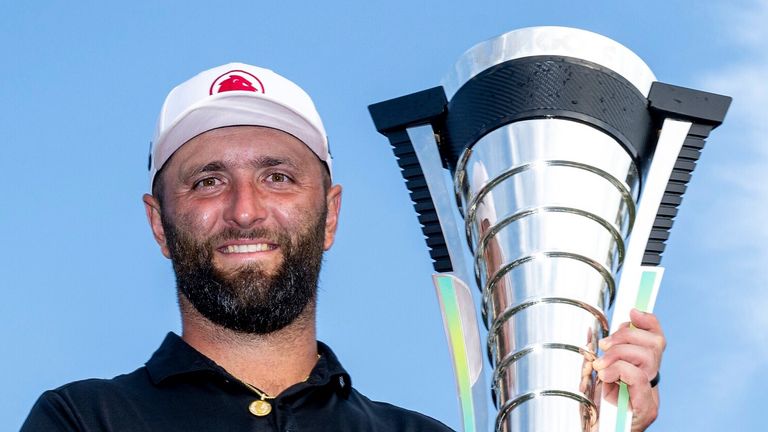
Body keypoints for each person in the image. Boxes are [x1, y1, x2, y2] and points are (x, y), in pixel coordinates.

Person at [21, 62, 665, 431]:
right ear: (160, 224)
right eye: (208, 181)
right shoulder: (82, 420)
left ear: (330, 215)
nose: (244, 211)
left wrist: (599, 429)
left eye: (277, 177)